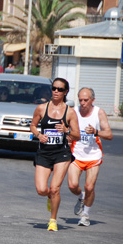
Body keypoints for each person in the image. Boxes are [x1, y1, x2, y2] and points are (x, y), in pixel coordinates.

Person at [29, 78, 80, 232]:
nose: (56, 91)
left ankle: (53, 220)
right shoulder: (41, 108)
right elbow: (32, 125)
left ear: (65, 92)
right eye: (54, 88)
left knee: (55, 188)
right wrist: (38, 135)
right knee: (41, 189)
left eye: (60, 89)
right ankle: (49, 198)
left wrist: (66, 131)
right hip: (44, 152)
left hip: (61, 153)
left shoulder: (69, 112)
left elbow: (77, 135)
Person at [67, 87, 113, 227]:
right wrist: (68, 137)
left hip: (93, 155)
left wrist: (95, 131)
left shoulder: (99, 113)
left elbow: (109, 135)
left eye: (85, 100)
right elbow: (67, 131)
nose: (82, 103)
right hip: (76, 154)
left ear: (92, 100)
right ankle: (81, 198)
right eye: (80, 100)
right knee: (73, 185)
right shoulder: (73, 112)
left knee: (89, 186)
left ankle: (85, 215)